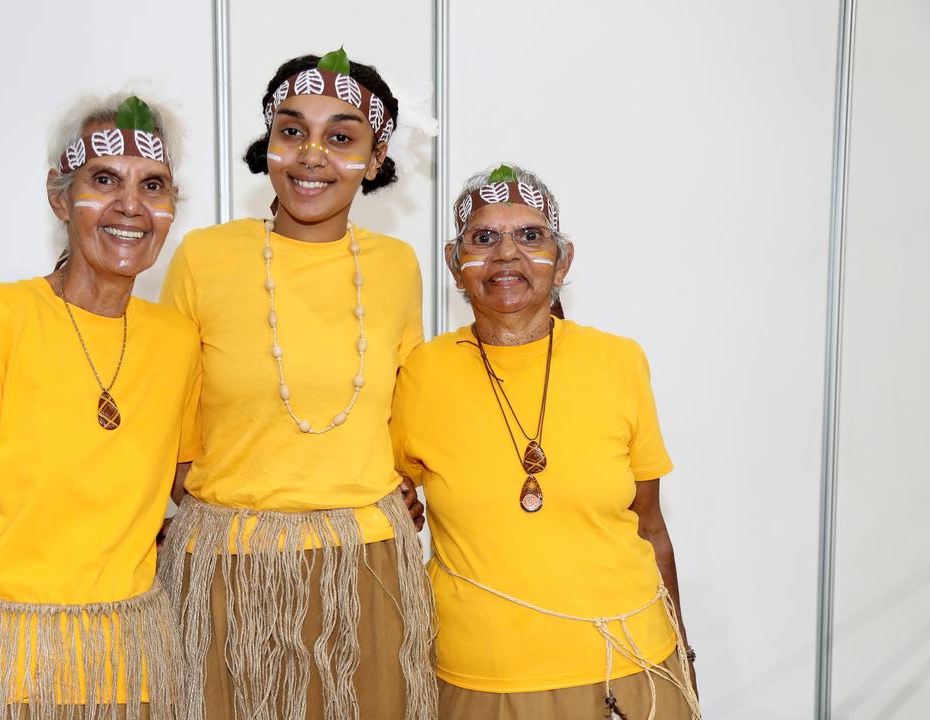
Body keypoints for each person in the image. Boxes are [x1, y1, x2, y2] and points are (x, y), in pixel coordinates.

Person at [0, 95, 200, 720]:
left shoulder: (178, 340)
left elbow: (194, 486)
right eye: (104, 180)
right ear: (60, 197)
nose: (131, 206)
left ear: (169, 209)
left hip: (127, 673)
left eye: (152, 185)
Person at [156, 48, 436, 720]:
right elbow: (161, 414)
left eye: (342, 137)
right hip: (225, 569)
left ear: (374, 160)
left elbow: (406, 417)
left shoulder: (397, 267)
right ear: (269, 144)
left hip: (364, 570)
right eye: (292, 130)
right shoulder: (205, 257)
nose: (313, 154)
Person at [390, 163, 702, 719]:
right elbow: (382, 495)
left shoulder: (619, 361)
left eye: (530, 236)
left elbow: (651, 525)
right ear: (454, 264)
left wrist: (685, 652)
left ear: (564, 259)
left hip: (634, 666)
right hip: (483, 677)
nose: (506, 254)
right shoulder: (420, 372)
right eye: (483, 238)